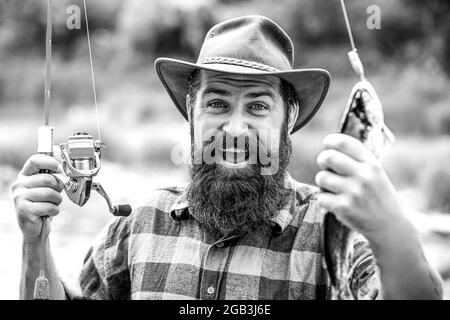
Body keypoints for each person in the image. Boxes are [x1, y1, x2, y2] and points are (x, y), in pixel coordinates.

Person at [12, 15, 443, 300]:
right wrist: (36, 240)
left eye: (257, 106)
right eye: (217, 104)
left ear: (286, 121)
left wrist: (391, 228)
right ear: (192, 117)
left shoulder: (335, 231)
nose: (235, 129)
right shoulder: (135, 224)